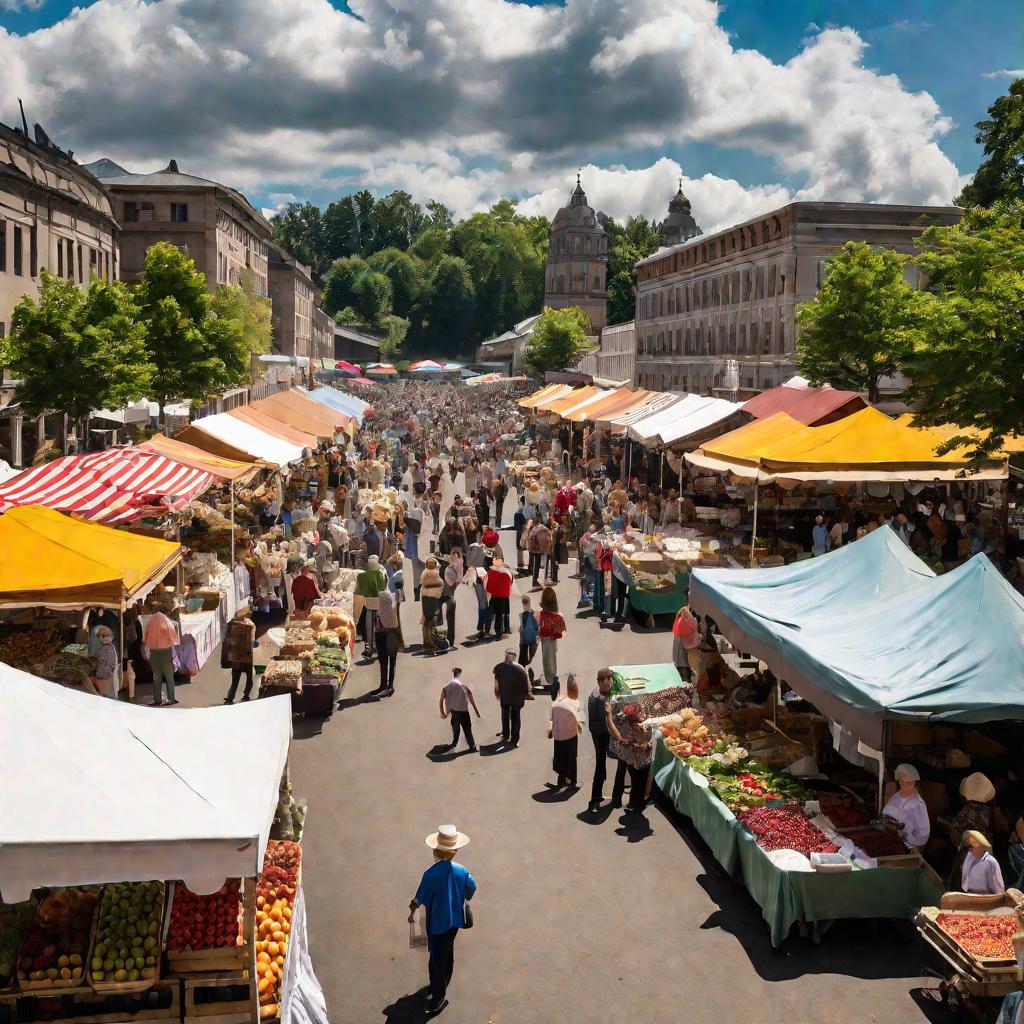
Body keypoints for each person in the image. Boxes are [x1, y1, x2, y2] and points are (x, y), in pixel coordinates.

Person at [408, 825, 477, 1018]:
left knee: (436, 959)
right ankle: (446, 978)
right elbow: (472, 888)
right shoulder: (462, 871)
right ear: (455, 851)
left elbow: (419, 898)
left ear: (436, 851)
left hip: (436, 922)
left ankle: (438, 996)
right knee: (448, 950)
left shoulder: (430, 874)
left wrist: (411, 910)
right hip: (455, 920)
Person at [609, 701, 653, 812]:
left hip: (630, 757)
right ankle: (634, 804)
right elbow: (645, 743)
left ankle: (625, 801)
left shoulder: (623, 721)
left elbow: (613, 729)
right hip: (635, 758)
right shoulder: (639, 727)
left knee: (632, 778)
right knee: (637, 780)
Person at [882, 763, 931, 851]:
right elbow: (886, 813)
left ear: (914, 783)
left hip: (909, 847)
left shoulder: (918, 804)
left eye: (908, 783)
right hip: (891, 841)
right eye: (902, 782)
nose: (904, 785)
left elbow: (923, 835)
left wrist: (905, 832)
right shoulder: (896, 797)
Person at [493, 648, 532, 747]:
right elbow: (527, 683)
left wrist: (497, 692)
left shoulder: (499, 667)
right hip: (517, 697)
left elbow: (496, 682)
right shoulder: (521, 668)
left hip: (505, 696)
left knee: (505, 715)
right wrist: (527, 693)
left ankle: (505, 734)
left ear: (506, 656)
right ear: (515, 657)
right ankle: (515, 740)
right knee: (516, 718)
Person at [587, 668, 613, 812]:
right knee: (600, 762)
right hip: (601, 733)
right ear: (600, 682)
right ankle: (596, 796)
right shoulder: (600, 699)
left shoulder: (596, 693)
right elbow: (607, 720)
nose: (610, 684)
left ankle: (597, 794)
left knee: (601, 761)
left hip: (597, 731)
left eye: (610, 681)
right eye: (607, 682)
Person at [550, 674, 582, 787]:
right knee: (572, 758)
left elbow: (552, 719)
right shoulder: (574, 702)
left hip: (558, 736)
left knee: (560, 757)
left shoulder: (555, 704)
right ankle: (572, 781)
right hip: (571, 735)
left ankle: (561, 779)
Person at [440, 667, 480, 752]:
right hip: (464, 712)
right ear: (459, 674)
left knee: (455, 728)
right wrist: (477, 713)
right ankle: (472, 746)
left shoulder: (446, 687)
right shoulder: (464, 687)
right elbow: (471, 699)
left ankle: (454, 743)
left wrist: (442, 713)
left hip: (454, 712)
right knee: (467, 730)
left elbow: (441, 700)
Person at [144, 608, 179, 706]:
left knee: (156, 676)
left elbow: (145, 637)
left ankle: (157, 699)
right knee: (169, 676)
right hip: (166, 650)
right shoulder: (167, 621)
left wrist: (147, 652)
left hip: (154, 650)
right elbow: (173, 636)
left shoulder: (151, 620)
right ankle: (171, 698)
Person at [222, 606, 256, 703]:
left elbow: (227, 641)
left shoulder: (232, 624)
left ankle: (230, 697)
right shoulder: (251, 624)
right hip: (248, 655)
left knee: (235, 679)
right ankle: (246, 695)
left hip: (236, 655)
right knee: (249, 677)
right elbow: (253, 640)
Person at [538, 587, 566, 698]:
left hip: (546, 640)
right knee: (552, 659)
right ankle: (552, 679)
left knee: (547, 660)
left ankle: (552, 682)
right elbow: (562, 632)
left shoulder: (541, 614)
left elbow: (539, 629)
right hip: (552, 640)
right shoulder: (557, 615)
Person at [960, 830, 1005, 895]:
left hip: (988, 896)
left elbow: (998, 883)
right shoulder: (969, 859)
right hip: (971, 895)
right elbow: (965, 881)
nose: (972, 850)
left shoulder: (990, 861)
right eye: (972, 847)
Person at [375, 589, 401, 694]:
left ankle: (383, 685)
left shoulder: (379, 598)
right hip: (393, 633)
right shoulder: (391, 598)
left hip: (382, 633)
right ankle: (390, 686)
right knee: (393, 661)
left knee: (383, 660)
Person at [420, 557, 445, 655]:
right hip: (432, 599)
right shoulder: (434, 573)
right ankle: (430, 641)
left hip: (426, 598)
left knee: (427, 621)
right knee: (431, 620)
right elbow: (440, 585)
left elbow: (423, 585)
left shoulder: (424, 573)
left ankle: (427, 641)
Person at [484, 558, 513, 638]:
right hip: (505, 596)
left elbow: (488, 588)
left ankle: (493, 631)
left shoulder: (491, 573)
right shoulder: (507, 572)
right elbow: (511, 583)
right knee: (504, 613)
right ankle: (505, 629)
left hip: (495, 597)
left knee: (495, 614)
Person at [90, 625, 120, 699]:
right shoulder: (111, 647)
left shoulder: (104, 649)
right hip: (112, 678)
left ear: (100, 637)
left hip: (105, 679)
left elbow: (102, 670)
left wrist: (97, 676)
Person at [517, 595, 539, 684]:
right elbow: (522, 627)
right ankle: (522, 680)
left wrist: (537, 639)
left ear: (530, 603)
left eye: (527, 604)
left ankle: (529, 680)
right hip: (524, 641)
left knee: (530, 661)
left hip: (532, 641)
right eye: (525, 604)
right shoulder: (521, 615)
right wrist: (521, 633)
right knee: (522, 662)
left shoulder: (534, 614)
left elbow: (538, 628)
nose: (526, 606)